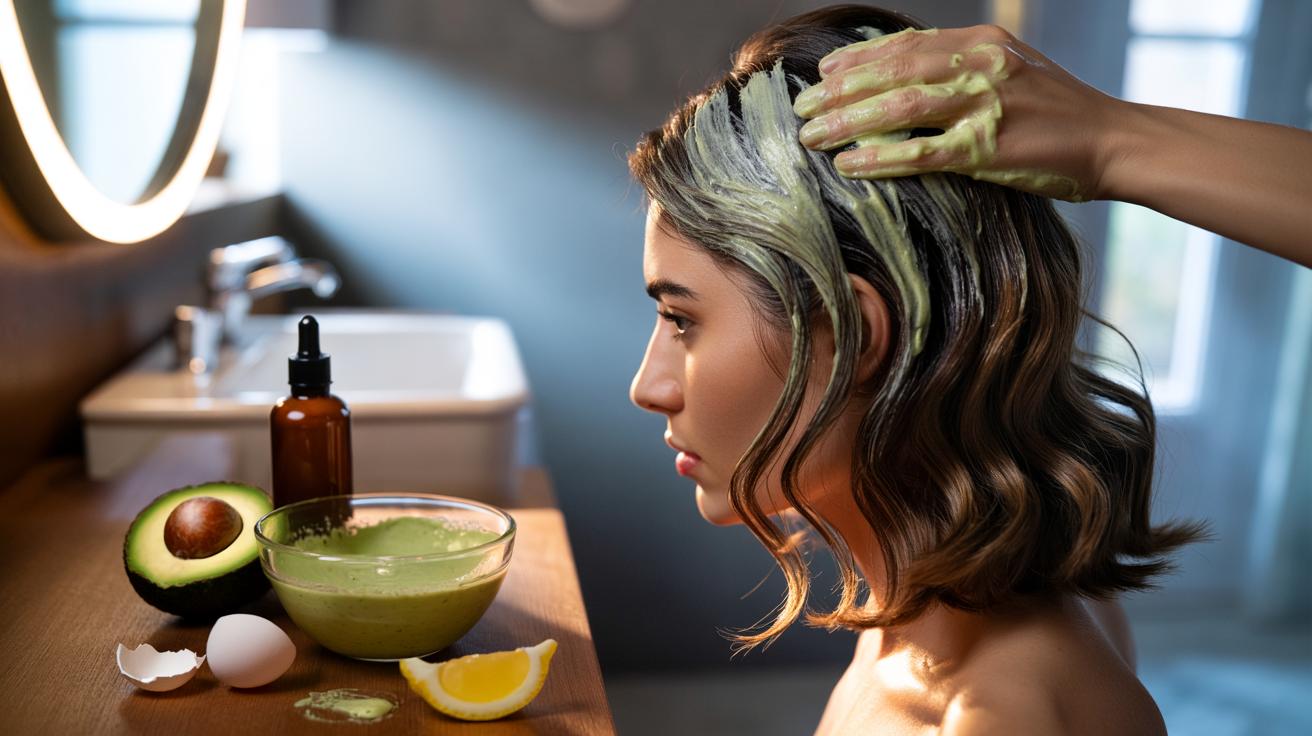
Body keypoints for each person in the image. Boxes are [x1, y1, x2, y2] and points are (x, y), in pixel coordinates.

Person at [622, 4, 1267, 734]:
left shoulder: (988, 717)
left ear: (858, 336)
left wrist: (1113, 139)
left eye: (682, 320)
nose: (649, 387)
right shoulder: (929, 617)